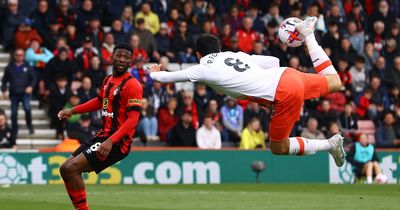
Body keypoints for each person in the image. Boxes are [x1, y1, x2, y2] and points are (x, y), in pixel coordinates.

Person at [149, 17, 346, 167]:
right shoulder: (233, 55)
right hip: (286, 74)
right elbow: (273, 62)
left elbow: (163, 78)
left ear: (198, 54)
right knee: (335, 82)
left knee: (279, 147)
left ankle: (330, 144)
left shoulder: (202, 67)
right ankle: (309, 35)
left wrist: (154, 72)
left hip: (282, 92)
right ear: (218, 49)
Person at [58, 43, 143, 210]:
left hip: (117, 142)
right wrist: (73, 111)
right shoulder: (108, 80)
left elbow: (133, 120)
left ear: (130, 62)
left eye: (126, 57)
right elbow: (99, 101)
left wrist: (111, 141)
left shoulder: (132, 85)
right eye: (119, 55)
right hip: (102, 136)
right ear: (112, 57)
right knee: (64, 169)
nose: (121, 59)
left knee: (72, 168)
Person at [2, 49, 36, 137]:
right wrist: (4, 90)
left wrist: (31, 86)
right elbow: (5, 80)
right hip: (14, 93)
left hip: (25, 92)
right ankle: (14, 129)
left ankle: (29, 125)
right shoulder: (9, 67)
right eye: (17, 54)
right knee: (13, 113)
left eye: (21, 55)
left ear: (23, 56)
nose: (19, 56)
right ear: (14, 55)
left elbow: (33, 78)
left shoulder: (28, 66)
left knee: (27, 109)